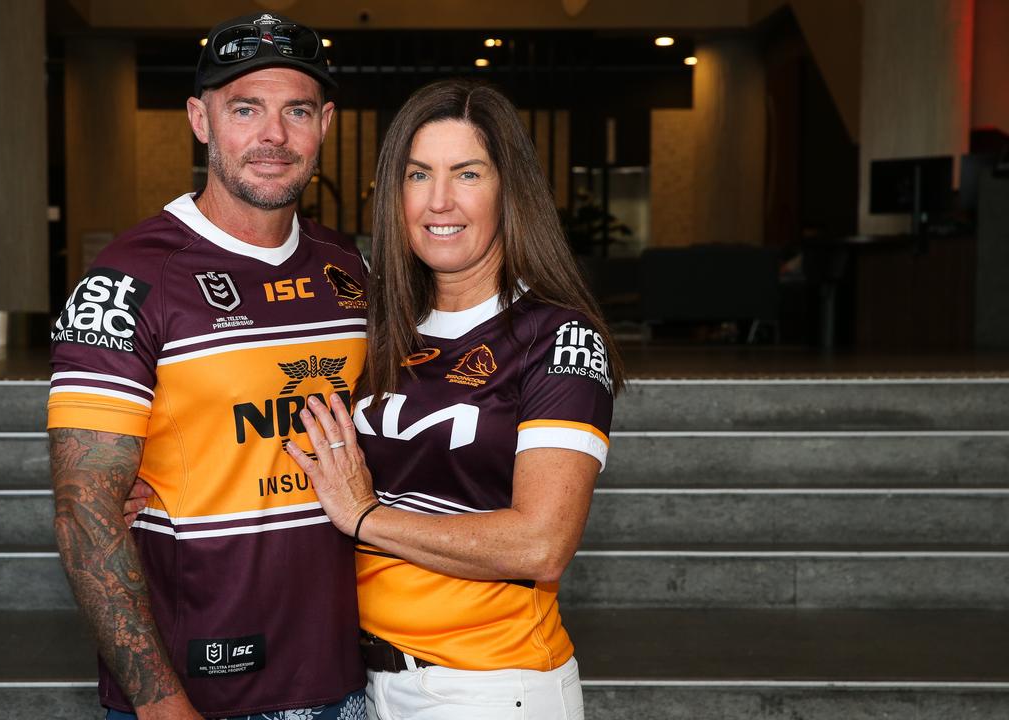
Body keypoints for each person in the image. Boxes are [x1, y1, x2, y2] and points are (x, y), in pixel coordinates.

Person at [48, 13, 369, 720]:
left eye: (298, 111)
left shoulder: (350, 271)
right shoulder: (127, 280)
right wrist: (163, 707)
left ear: (327, 123)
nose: (273, 137)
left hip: (344, 680)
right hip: (201, 691)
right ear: (200, 119)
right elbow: (83, 515)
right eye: (245, 109)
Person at [285, 79, 624, 720]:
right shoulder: (380, 327)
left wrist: (366, 518)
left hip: (488, 687)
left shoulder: (557, 336)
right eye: (419, 175)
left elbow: (541, 543)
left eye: (466, 173)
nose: (439, 200)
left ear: (508, 189)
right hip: (360, 682)